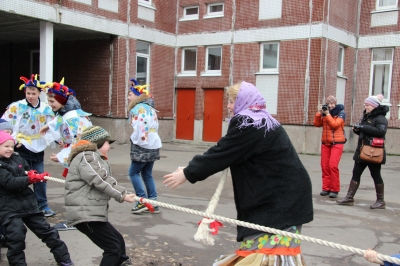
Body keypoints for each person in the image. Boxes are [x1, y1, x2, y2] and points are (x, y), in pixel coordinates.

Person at [163, 81, 313, 266]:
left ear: (245, 101)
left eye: (232, 101)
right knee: (270, 253)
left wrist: (187, 173)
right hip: (284, 198)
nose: (228, 105)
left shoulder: (249, 124)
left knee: (268, 254)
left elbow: (222, 152)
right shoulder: (260, 119)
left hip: (280, 202)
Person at [65, 125, 136, 266]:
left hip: (91, 211)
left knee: (118, 242)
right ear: (97, 143)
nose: (109, 146)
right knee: (113, 248)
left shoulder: (92, 157)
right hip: (85, 213)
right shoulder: (87, 156)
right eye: (107, 142)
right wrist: (121, 195)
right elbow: (100, 179)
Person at [0, 130, 74, 266]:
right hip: (8, 207)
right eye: (6, 146)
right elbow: (9, 182)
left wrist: (33, 174)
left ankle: (64, 259)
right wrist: (30, 179)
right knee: (16, 237)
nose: (10, 149)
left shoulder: (17, 158)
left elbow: (26, 168)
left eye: (11, 146)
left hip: (28, 204)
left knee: (47, 231)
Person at [39, 79, 92, 230]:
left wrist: (62, 156)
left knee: (75, 188)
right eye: (49, 101)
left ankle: (77, 220)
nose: (50, 105)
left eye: (52, 101)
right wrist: (48, 127)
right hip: (79, 154)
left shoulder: (73, 118)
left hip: (80, 156)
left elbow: (78, 141)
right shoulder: (68, 114)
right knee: (76, 187)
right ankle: (80, 219)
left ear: (62, 100)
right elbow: (60, 125)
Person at [1, 74, 56, 217]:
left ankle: (42, 205)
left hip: (38, 147)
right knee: (19, 177)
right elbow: (4, 125)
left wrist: (57, 139)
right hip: (21, 145)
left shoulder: (46, 109)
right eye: (28, 93)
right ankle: (18, 206)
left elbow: (54, 126)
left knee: (40, 177)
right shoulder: (16, 107)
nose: (30, 96)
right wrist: (12, 141)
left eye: (33, 93)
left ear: (39, 93)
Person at [336, 94, 388, 209]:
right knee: (356, 173)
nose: (366, 107)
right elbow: (366, 133)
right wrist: (358, 130)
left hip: (373, 152)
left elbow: (381, 132)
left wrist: (363, 128)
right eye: (365, 105)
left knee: (376, 175)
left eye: (368, 105)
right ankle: (349, 198)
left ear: (374, 106)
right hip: (362, 150)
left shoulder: (380, 118)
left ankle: (380, 201)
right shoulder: (367, 116)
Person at [127, 78, 162, 214]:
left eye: (130, 94)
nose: (128, 97)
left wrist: (137, 139)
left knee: (133, 172)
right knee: (147, 173)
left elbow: (141, 128)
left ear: (137, 95)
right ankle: (153, 201)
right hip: (153, 143)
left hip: (143, 143)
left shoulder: (138, 108)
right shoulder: (150, 108)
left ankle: (142, 201)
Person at [313, 95, 346, 198]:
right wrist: (319, 113)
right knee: (325, 166)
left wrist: (327, 114)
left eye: (332, 103)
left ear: (335, 103)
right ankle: (326, 188)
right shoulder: (324, 112)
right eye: (329, 104)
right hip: (326, 143)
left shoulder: (341, 112)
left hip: (337, 143)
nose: (331, 106)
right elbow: (317, 124)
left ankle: (334, 189)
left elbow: (335, 125)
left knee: (333, 166)